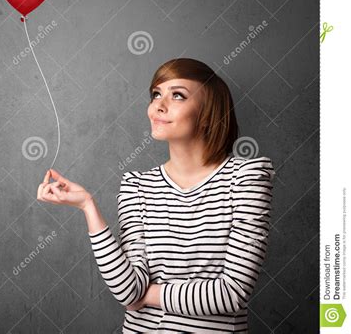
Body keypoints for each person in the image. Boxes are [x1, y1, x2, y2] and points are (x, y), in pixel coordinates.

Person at [37, 58, 275, 333]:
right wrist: (87, 206)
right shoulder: (136, 185)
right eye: (155, 94)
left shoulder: (246, 178)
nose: (159, 106)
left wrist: (149, 296)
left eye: (177, 95)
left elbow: (231, 294)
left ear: (209, 112)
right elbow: (128, 291)